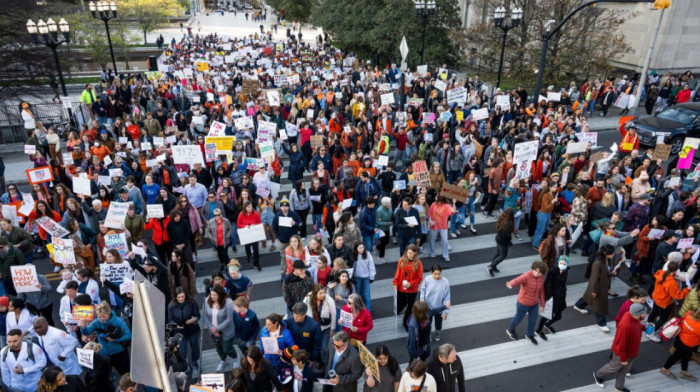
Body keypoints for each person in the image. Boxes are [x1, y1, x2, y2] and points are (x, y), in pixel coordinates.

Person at [592, 303, 647, 391]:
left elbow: (638, 324)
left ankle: (619, 386)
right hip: (623, 354)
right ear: (638, 314)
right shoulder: (626, 326)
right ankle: (597, 375)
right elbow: (620, 345)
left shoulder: (633, 316)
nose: (645, 314)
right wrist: (623, 359)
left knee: (624, 370)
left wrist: (644, 328)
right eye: (644, 313)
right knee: (612, 367)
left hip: (632, 352)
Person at [78, 302, 131, 375]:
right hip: (104, 354)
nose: (102, 319)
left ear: (108, 313)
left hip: (119, 353)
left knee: (125, 373)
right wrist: (83, 327)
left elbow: (128, 335)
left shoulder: (118, 321)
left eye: (103, 316)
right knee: (106, 375)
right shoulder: (96, 322)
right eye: (99, 317)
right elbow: (87, 332)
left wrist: (115, 340)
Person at [574, 245, 616, 333]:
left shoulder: (606, 259)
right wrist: (594, 290)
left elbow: (606, 271)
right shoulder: (598, 263)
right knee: (599, 305)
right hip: (598, 287)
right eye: (611, 253)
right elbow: (594, 278)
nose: (613, 254)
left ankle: (579, 305)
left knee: (588, 298)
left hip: (602, 285)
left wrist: (612, 272)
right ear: (605, 253)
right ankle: (601, 323)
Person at [646, 261, 691, 342]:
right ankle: (651, 333)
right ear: (676, 270)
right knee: (663, 318)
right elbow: (677, 296)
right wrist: (687, 289)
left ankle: (648, 327)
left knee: (654, 313)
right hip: (664, 302)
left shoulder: (660, 273)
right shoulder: (671, 282)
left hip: (656, 298)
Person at [505, 261, 547, 345]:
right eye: (536, 271)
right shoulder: (527, 275)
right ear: (533, 268)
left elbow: (542, 292)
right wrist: (511, 284)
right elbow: (518, 280)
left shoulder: (541, 278)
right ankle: (510, 330)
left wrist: (542, 304)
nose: (537, 274)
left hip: (534, 303)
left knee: (533, 320)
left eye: (539, 272)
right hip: (523, 303)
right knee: (518, 318)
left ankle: (529, 335)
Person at [202, 285, 237, 372]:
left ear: (220, 295)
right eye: (211, 294)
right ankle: (224, 360)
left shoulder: (228, 303)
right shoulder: (207, 300)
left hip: (226, 330)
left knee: (227, 348)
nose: (212, 297)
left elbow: (229, 319)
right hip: (213, 331)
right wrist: (212, 328)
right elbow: (205, 316)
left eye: (215, 295)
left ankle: (236, 357)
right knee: (218, 348)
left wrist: (217, 329)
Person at [660, 307, 700, 381]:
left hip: (680, 337)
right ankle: (664, 368)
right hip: (688, 344)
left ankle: (684, 371)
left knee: (686, 356)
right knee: (676, 356)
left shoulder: (689, 314)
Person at [167, 287, 201, 374]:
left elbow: (197, 315)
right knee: (182, 350)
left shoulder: (192, 302)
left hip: (192, 329)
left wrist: (194, 319)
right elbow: (170, 319)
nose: (181, 299)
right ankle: (185, 364)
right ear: (175, 297)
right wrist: (176, 325)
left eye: (182, 296)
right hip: (180, 332)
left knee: (194, 347)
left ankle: (194, 362)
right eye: (179, 297)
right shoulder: (171, 305)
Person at [536, 256, 569, 339]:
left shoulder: (565, 271)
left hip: (561, 297)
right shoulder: (552, 271)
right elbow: (547, 285)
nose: (562, 265)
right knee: (546, 315)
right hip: (552, 297)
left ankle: (548, 325)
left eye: (564, 264)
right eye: (561, 263)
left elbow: (563, 283)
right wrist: (549, 297)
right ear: (558, 262)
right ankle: (539, 330)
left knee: (558, 316)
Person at [304, 284, 336, 367]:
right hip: (314, 327)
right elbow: (305, 312)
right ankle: (318, 360)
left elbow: (333, 314)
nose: (323, 295)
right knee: (315, 345)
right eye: (320, 293)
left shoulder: (329, 300)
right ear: (315, 294)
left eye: (324, 292)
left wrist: (332, 328)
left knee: (324, 348)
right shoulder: (307, 299)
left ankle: (325, 362)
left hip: (325, 327)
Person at [393, 244, 423, 330]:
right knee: (400, 303)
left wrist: (410, 284)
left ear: (415, 253)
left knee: (410, 307)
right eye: (408, 253)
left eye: (411, 253)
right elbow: (397, 274)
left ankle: (406, 322)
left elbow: (419, 278)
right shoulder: (402, 260)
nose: (409, 255)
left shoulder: (418, 263)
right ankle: (397, 312)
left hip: (412, 290)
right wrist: (395, 284)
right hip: (401, 288)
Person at [420, 265, 451, 342]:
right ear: (431, 272)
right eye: (435, 274)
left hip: (439, 307)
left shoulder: (445, 282)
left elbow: (447, 297)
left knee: (438, 323)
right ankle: (428, 333)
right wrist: (422, 299)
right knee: (428, 322)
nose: (437, 276)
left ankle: (437, 332)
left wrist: (445, 312)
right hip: (428, 307)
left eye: (439, 273)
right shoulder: (427, 279)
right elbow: (423, 290)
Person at [487, 207, 514, 277]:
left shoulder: (502, 218)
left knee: (498, 253)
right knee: (503, 255)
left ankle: (493, 266)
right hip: (503, 242)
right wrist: (509, 240)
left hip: (498, 238)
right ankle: (491, 266)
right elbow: (506, 235)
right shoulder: (508, 223)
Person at [427, 196, 454, 262]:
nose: (435, 197)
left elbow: (452, 212)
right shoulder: (433, 204)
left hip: (443, 226)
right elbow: (430, 213)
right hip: (434, 225)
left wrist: (454, 203)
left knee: (445, 241)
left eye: (436, 196)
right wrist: (430, 221)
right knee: (432, 240)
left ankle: (445, 255)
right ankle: (432, 252)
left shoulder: (447, 206)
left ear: (439, 198)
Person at [237, 201, 262, 270]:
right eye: (248, 207)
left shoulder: (256, 214)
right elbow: (238, 224)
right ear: (245, 208)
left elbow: (259, 222)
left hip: (254, 233)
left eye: (251, 206)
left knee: (256, 250)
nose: (250, 208)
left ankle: (256, 264)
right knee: (247, 248)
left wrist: (255, 225)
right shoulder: (241, 214)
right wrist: (245, 226)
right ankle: (248, 256)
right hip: (246, 234)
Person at [353, 242, 376, 311]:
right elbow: (352, 267)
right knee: (358, 293)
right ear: (356, 249)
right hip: (357, 277)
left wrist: (372, 276)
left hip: (366, 277)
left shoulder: (368, 254)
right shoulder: (354, 256)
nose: (362, 249)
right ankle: (359, 309)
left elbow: (371, 265)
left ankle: (368, 310)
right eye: (360, 248)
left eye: (362, 247)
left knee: (366, 294)